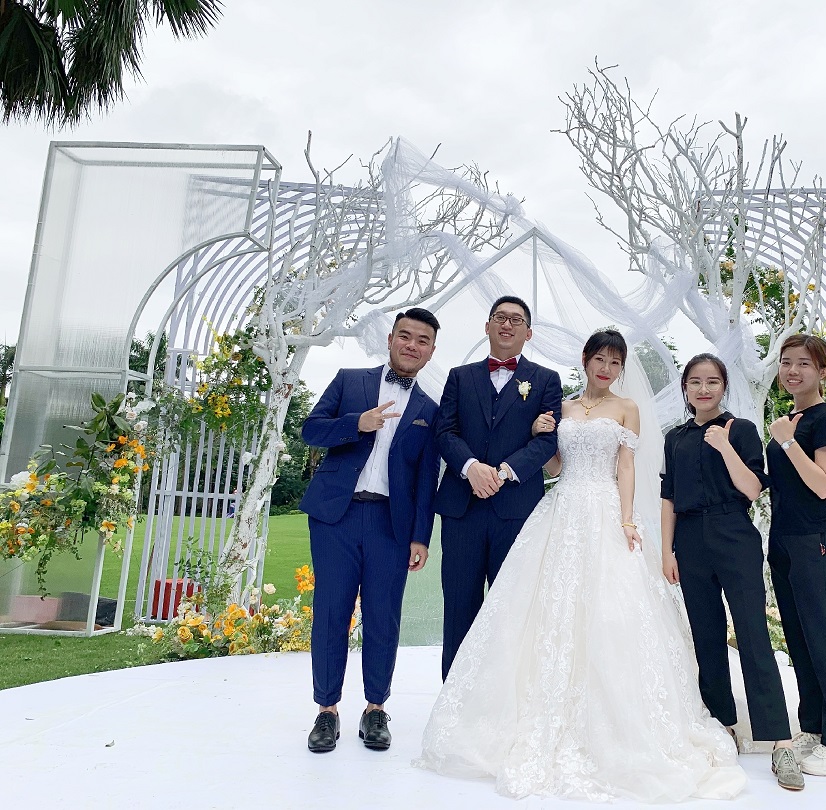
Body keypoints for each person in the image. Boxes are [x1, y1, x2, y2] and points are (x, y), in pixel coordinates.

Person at [416, 329, 748, 802]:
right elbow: (555, 467)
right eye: (600, 360)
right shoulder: (564, 408)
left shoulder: (626, 408)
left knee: (610, 613)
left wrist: (627, 519)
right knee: (544, 610)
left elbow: (626, 467)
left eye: (615, 362)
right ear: (586, 360)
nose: (607, 369)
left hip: (605, 510)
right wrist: (541, 437)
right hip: (563, 508)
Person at [299, 308, 441, 754]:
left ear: (430, 351)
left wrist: (420, 536)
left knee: (383, 617)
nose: (412, 345)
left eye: (422, 340)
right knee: (331, 613)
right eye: (405, 336)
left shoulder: (429, 410)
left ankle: (376, 708)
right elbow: (310, 430)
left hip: (390, 525)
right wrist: (355, 424)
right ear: (391, 339)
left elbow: (426, 479)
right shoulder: (349, 381)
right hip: (335, 517)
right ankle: (326, 711)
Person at [660, 353, 802, 791]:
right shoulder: (675, 437)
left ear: (724, 387)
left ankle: (780, 742)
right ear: (685, 388)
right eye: (695, 382)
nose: (704, 389)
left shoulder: (740, 429)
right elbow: (668, 496)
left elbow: (753, 488)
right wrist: (666, 550)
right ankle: (723, 726)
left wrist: (723, 446)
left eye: (713, 382)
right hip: (689, 540)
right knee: (706, 636)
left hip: (734, 534)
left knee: (753, 634)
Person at [433, 296, 562, 680]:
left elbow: (547, 442)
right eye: (500, 318)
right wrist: (471, 467)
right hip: (462, 511)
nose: (507, 324)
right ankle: (454, 700)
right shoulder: (459, 376)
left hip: (517, 512)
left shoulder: (546, 380)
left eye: (516, 320)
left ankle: (506, 698)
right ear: (487, 326)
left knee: (512, 610)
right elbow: (444, 431)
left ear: (528, 333)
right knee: (459, 607)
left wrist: (503, 472)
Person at [765, 333, 826, 777]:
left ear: (822, 371)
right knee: (801, 640)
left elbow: (823, 484)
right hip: (784, 540)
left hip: (816, 542)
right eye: (786, 362)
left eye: (804, 363)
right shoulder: (789, 419)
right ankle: (815, 728)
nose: (793, 371)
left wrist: (787, 442)